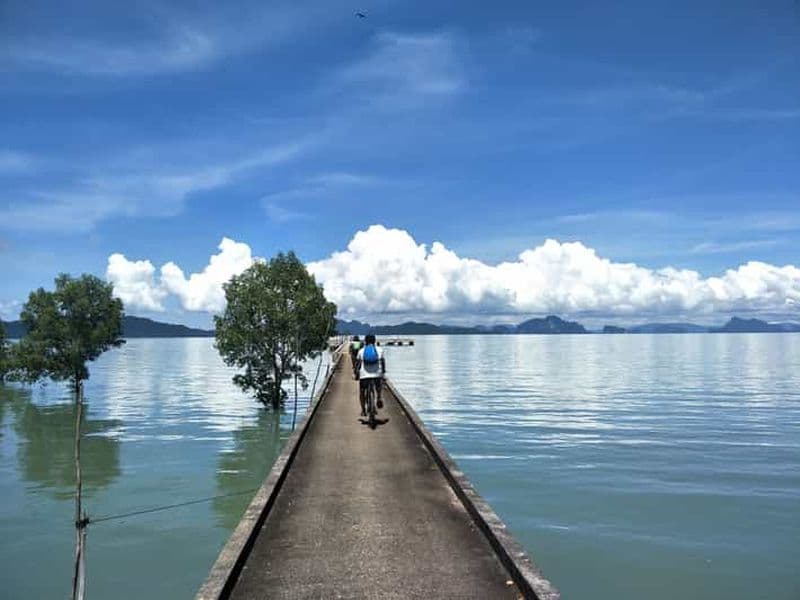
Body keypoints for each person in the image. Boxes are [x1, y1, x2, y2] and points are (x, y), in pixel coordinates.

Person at [355, 333, 385, 417]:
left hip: (364, 375)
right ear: (375, 341)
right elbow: (382, 362)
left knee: (362, 392)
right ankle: (379, 397)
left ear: (365, 341)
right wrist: (383, 372)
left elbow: (358, 364)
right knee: (378, 386)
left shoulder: (361, 351)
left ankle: (363, 410)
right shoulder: (380, 350)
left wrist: (357, 373)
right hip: (377, 374)